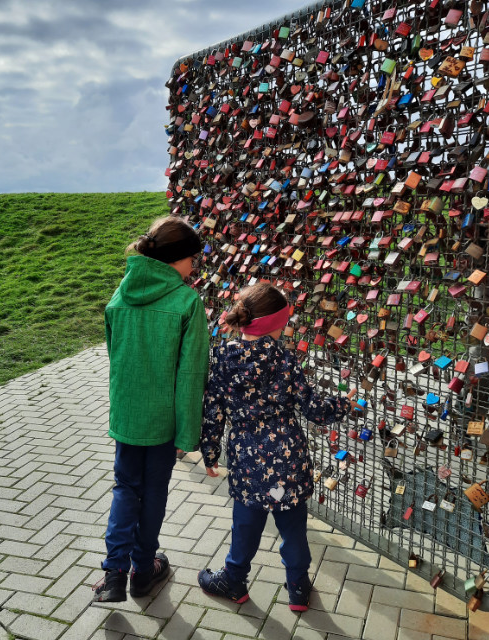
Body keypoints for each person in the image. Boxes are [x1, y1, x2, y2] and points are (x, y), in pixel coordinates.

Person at [198, 282, 356, 611]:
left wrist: (210, 453)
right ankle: (298, 587)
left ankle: (234, 579)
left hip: (247, 460)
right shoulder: (284, 358)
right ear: (276, 324)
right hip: (288, 458)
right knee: (293, 526)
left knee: (245, 523)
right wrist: (343, 404)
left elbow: (212, 410)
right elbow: (312, 407)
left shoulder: (223, 357)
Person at [93, 216, 210, 603]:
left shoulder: (119, 295)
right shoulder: (187, 301)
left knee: (125, 488)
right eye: (193, 258)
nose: (195, 267)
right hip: (163, 421)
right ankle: (143, 572)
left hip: (127, 416)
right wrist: (187, 434)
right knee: (154, 491)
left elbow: (115, 355)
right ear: (176, 259)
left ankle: (113, 575)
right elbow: (191, 374)